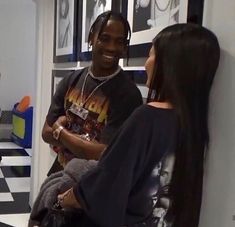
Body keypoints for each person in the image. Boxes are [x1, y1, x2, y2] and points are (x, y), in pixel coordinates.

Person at [57, 23, 220, 227]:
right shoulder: (194, 125)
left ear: (169, 64)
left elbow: (107, 182)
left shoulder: (147, 117)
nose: (146, 64)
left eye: (151, 55)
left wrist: (63, 199)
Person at [42, 11, 143, 175]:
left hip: (93, 190)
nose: (111, 47)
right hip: (59, 176)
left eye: (119, 42)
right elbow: (46, 133)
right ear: (91, 38)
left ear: (125, 46)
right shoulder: (71, 80)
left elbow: (104, 154)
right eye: (104, 38)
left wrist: (60, 131)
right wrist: (84, 145)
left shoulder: (128, 95)